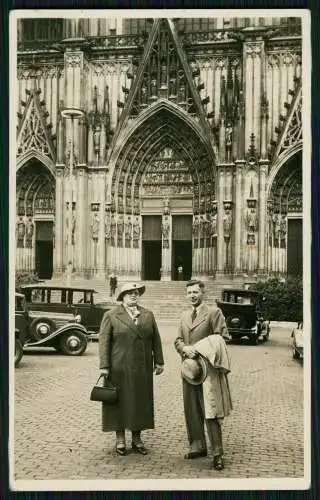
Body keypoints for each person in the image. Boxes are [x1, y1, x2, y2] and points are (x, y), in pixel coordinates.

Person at [99, 283, 164, 456]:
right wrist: (104, 366)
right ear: (122, 296)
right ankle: (120, 439)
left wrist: (159, 361)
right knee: (118, 402)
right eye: (129, 293)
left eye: (136, 293)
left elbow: (155, 339)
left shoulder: (148, 315)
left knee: (140, 401)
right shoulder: (111, 315)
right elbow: (104, 342)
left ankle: (137, 438)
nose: (133, 296)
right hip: (118, 366)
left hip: (141, 367)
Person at [174, 280, 232, 471]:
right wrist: (184, 349)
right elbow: (178, 340)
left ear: (203, 293)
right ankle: (197, 446)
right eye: (189, 292)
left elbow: (222, 337)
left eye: (196, 292)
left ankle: (217, 454)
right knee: (192, 409)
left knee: (211, 410)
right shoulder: (184, 315)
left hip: (208, 370)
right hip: (189, 369)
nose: (192, 295)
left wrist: (197, 349)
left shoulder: (214, 312)